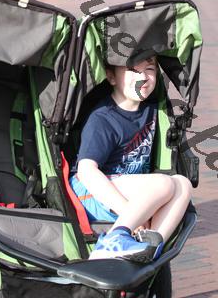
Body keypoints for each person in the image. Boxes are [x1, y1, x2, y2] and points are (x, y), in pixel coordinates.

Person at [70, 56, 192, 261]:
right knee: (163, 183)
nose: (142, 77)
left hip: (128, 190)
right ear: (111, 77)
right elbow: (86, 171)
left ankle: (150, 246)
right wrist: (129, 213)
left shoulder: (152, 109)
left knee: (182, 184)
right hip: (92, 192)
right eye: (133, 70)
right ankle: (113, 240)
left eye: (150, 69)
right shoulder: (103, 118)